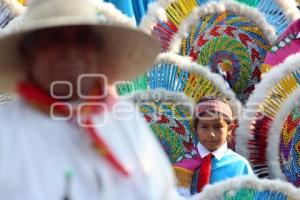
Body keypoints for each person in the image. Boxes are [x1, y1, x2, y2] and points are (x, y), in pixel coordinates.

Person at [0, 0, 181, 199]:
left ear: (98, 52)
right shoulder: (8, 131)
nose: (69, 51)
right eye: (54, 40)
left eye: (82, 39)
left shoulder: (125, 121)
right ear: (28, 54)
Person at [173, 96, 253, 196]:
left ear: (230, 129)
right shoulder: (182, 165)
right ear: (196, 128)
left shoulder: (240, 166)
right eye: (204, 127)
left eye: (218, 127)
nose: (211, 134)